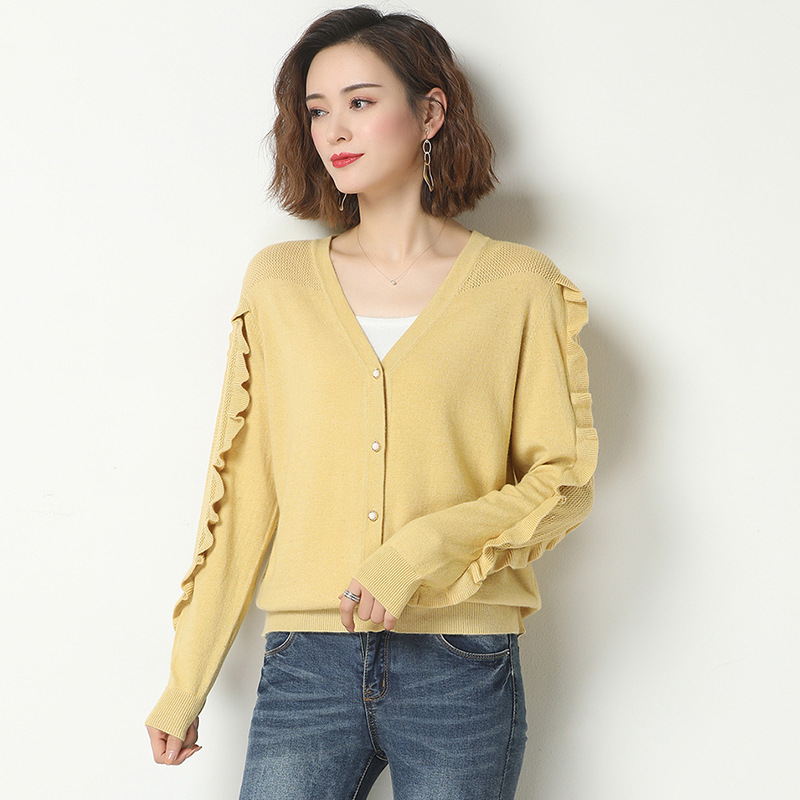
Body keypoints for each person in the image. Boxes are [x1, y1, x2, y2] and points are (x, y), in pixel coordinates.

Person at [145, 6, 598, 799]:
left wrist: (413, 556)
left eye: (360, 101)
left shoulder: (517, 285)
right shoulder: (279, 282)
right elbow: (245, 491)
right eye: (318, 110)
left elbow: (560, 480)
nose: (334, 130)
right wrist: (187, 682)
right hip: (307, 664)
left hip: (460, 663)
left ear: (430, 112)